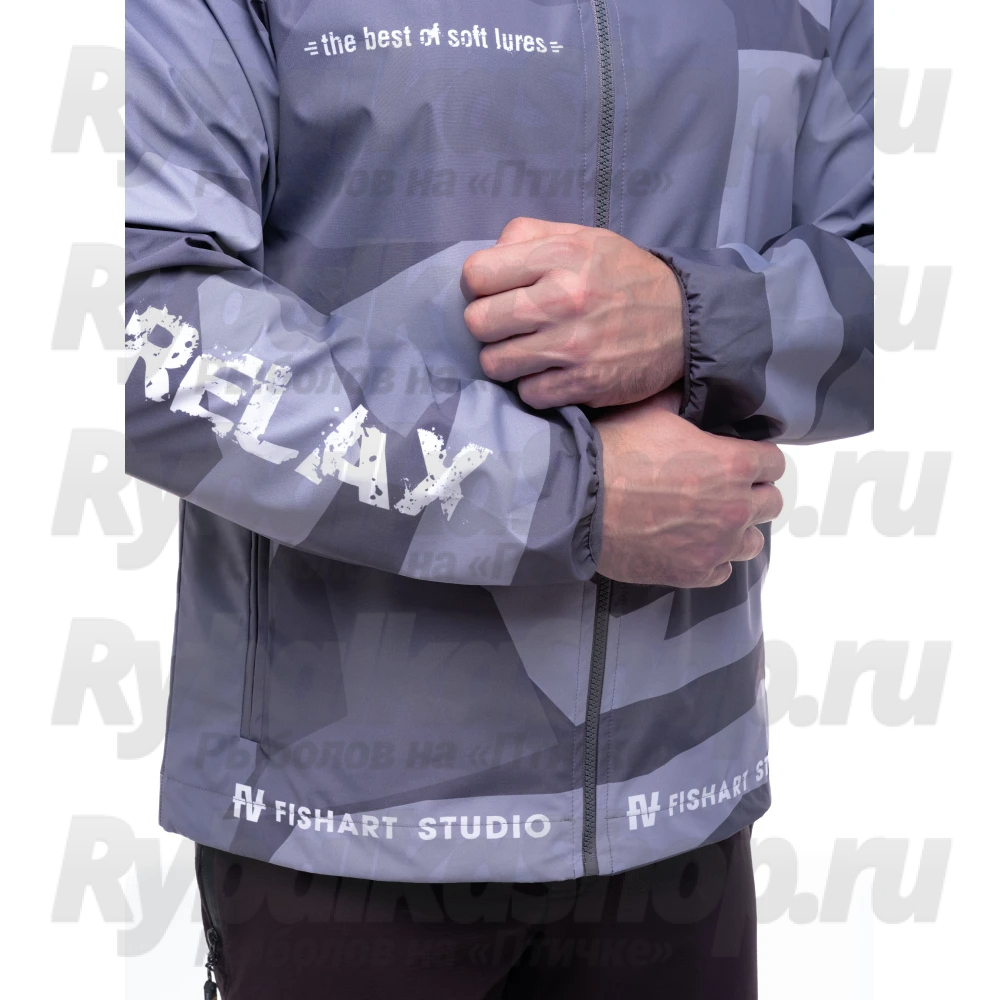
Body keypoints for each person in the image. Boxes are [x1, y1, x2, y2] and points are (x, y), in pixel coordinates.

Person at [124, 0, 873, 996]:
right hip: (338, 828)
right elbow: (142, 324)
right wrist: (571, 493)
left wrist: (695, 318)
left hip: (681, 806)